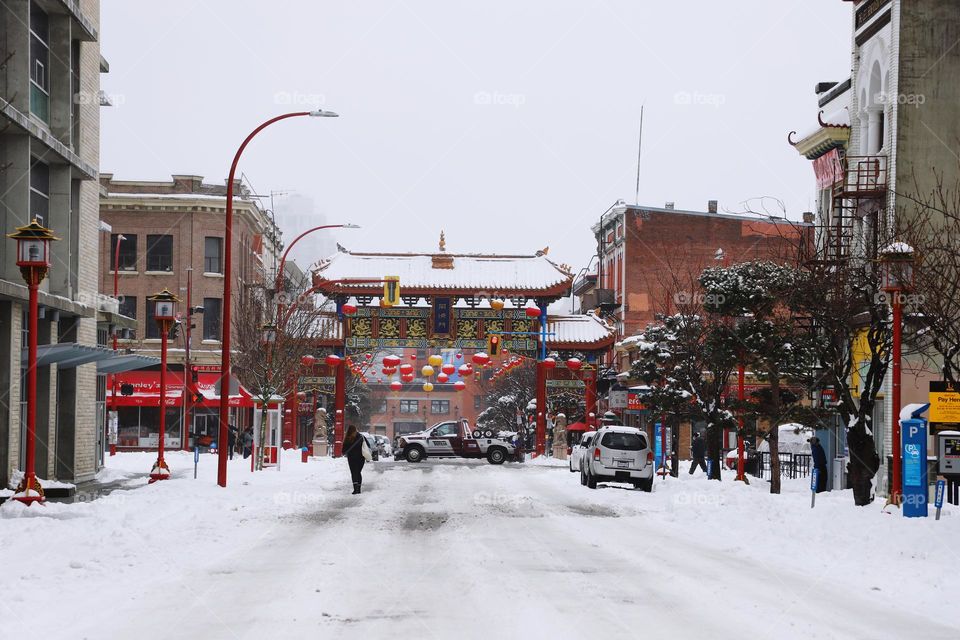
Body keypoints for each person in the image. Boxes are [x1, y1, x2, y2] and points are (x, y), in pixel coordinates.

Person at [343, 425, 367, 494]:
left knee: (354, 473)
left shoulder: (348, 438)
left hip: (351, 458)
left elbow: (344, 450)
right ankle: (358, 489)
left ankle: (355, 489)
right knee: (358, 472)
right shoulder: (361, 437)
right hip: (361, 458)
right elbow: (367, 446)